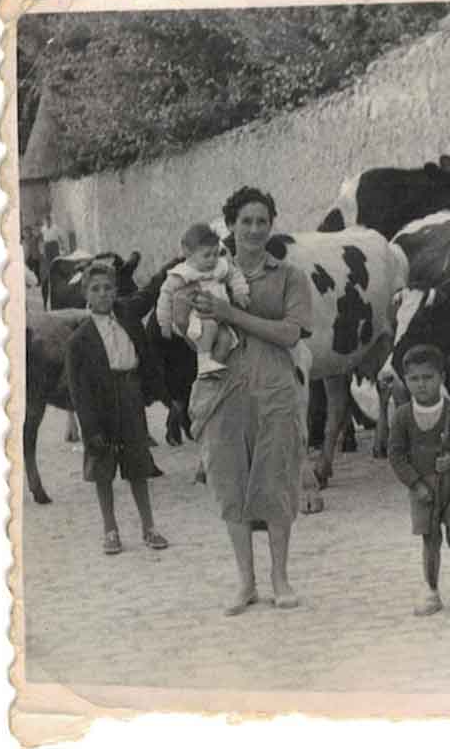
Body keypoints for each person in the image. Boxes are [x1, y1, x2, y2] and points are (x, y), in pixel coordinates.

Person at [186, 186, 313, 616]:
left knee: (276, 481)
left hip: (274, 388)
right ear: (231, 226)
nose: (255, 229)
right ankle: (246, 582)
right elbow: (196, 338)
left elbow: (291, 333)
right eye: (246, 221)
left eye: (262, 221)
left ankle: (280, 577)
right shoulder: (207, 275)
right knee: (230, 482)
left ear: (272, 225)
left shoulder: (290, 276)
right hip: (222, 389)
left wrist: (231, 315)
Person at [65, 262, 169, 555]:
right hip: (100, 405)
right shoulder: (79, 340)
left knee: (138, 463)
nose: (103, 295)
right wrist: (90, 428)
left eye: (108, 288)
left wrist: (155, 392)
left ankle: (149, 526)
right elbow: (79, 391)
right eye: (95, 289)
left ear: (116, 290)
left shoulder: (127, 318)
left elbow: (148, 299)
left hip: (130, 396)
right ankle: (110, 530)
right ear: (85, 293)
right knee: (103, 468)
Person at [388, 344, 450, 619]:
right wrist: (415, 484)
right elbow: (396, 455)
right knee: (430, 540)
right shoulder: (403, 416)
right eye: (414, 379)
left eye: (428, 377)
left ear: (441, 377)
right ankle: (431, 591)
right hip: (422, 491)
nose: (422, 385)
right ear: (406, 380)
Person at [156, 222, 250, 377]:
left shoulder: (219, 266)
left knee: (226, 339)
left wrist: (240, 292)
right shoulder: (184, 273)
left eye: (215, 253)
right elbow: (165, 296)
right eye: (206, 255)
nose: (212, 259)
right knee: (210, 327)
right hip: (197, 317)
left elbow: (235, 275)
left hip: (220, 315)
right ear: (190, 254)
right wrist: (164, 323)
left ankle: (214, 366)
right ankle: (204, 363)